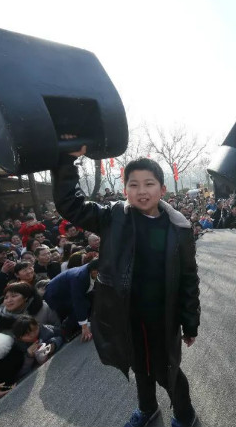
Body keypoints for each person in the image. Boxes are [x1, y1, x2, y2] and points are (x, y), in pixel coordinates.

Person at [52, 151, 200, 427]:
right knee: (139, 365)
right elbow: (69, 204)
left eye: (149, 183)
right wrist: (65, 161)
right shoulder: (113, 217)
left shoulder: (179, 227)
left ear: (162, 189)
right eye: (134, 184)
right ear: (125, 190)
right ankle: (147, 408)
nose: (142, 191)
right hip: (126, 315)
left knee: (166, 370)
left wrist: (190, 321)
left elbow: (189, 278)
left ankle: (184, 414)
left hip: (163, 316)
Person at [43, 260, 98, 342]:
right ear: (94, 271)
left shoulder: (91, 269)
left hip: (68, 290)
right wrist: (84, 327)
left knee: (91, 298)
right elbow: (78, 302)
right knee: (81, 306)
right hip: (56, 295)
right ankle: (66, 330)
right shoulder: (80, 277)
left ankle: (82, 322)